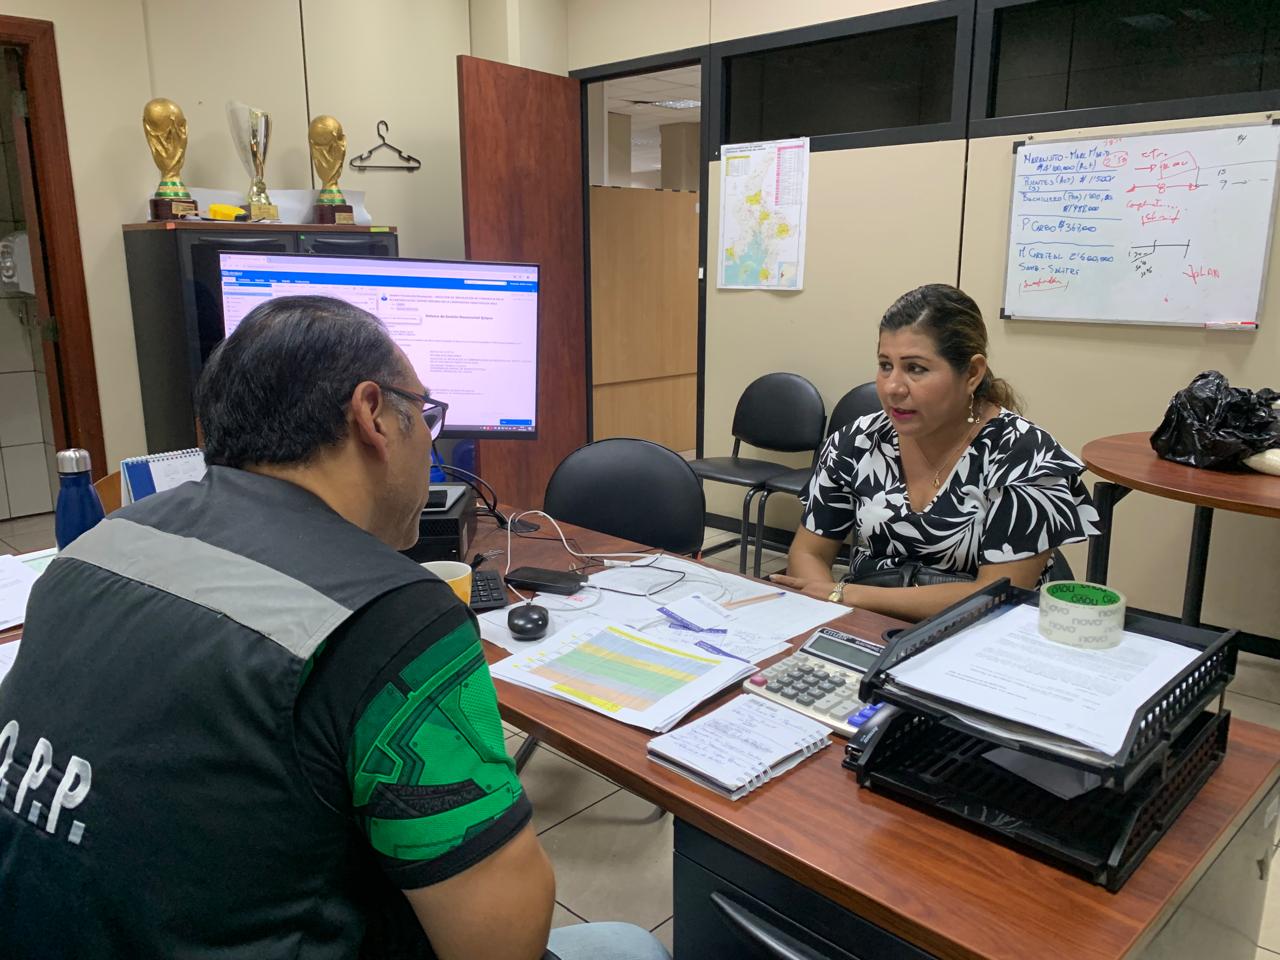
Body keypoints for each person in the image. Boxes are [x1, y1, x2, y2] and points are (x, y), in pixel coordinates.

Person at [0, 296, 668, 960]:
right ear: (372, 415)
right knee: (630, 945)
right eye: (425, 416)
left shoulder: (96, 546)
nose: (430, 441)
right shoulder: (394, 618)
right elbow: (501, 943)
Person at [772, 283, 1098, 622]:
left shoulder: (1024, 456)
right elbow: (809, 552)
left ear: (972, 373)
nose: (893, 387)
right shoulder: (859, 441)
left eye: (916, 368)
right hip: (867, 621)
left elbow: (998, 593)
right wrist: (837, 619)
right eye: (885, 365)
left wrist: (847, 594)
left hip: (981, 633)